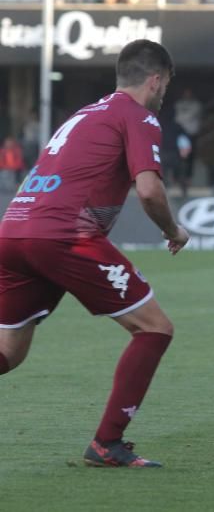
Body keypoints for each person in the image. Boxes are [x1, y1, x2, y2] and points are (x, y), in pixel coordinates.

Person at [0, 39, 188, 467]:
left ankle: (107, 444)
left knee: (8, 353)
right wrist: (173, 229)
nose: (164, 95)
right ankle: (107, 443)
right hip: (64, 235)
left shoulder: (86, 113)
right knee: (154, 329)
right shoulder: (138, 115)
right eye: (165, 86)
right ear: (156, 80)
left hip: (13, 229)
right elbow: (149, 189)